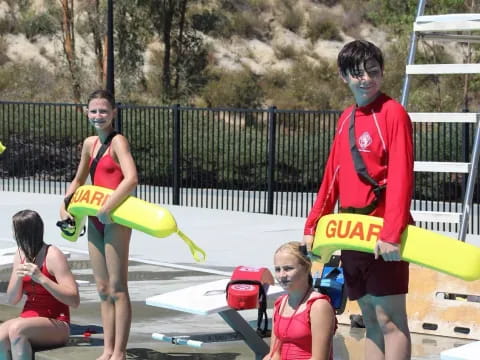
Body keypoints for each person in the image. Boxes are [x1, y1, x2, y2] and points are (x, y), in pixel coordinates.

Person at [303, 40, 414, 360]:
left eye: (373, 71)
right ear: (344, 76)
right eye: (358, 73)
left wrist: (392, 232)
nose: (366, 78)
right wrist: (313, 224)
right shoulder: (347, 118)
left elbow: (402, 176)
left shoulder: (393, 113)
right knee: (369, 321)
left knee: (391, 321)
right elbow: (332, 177)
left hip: (382, 235)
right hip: (351, 233)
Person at [59, 89, 138, 360]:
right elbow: (78, 180)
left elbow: (131, 179)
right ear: (86, 112)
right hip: (94, 220)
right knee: (103, 289)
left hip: (115, 219)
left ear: (114, 113)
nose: (97, 116)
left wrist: (108, 207)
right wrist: (65, 205)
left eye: (103, 111)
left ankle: (120, 352)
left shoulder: (119, 142)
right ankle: (107, 350)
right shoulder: (89, 143)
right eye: (93, 111)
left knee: (118, 288)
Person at [0, 210, 80, 360]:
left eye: (14, 230)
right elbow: (12, 300)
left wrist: (41, 277)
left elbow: (74, 300)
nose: (12, 234)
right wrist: (17, 277)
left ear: (24, 233)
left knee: (17, 330)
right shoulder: (20, 255)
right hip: (28, 318)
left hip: (57, 322)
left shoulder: (53, 255)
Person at [264, 241, 336, 360]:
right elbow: (274, 354)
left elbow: (319, 358)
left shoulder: (318, 306)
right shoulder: (280, 303)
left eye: (288, 269)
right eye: (277, 269)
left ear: (306, 268)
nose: (282, 275)